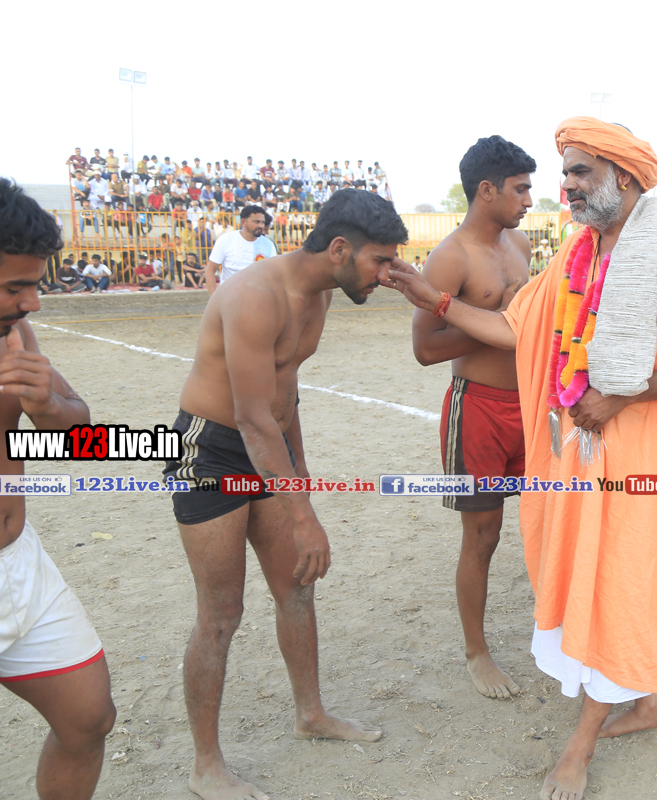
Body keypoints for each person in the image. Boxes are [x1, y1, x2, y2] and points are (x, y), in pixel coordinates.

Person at [389, 117, 657, 800]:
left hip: (645, 448)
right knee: (609, 574)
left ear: (626, 175)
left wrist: (622, 396)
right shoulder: (579, 250)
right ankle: (650, 701)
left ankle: (578, 747)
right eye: (566, 173)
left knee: (620, 580)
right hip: (582, 451)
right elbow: (517, 329)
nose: (567, 185)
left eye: (581, 171)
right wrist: (433, 299)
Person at [162, 189, 404, 800]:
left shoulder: (321, 293)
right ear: (340, 249)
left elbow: (284, 390)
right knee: (221, 613)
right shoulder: (252, 295)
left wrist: (300, 475)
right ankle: (206, 765)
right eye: (380, 260)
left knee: (295, 587)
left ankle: (310, 714)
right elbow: (249, 416)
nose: (387, 274)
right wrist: (304, 513)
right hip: (210, 449)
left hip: (268, 443)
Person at [0, 171, 115, 800]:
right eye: (15, 286)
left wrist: (47, 406)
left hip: (20, 565)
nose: (32, 302)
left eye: (35, 283)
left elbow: (81, 432)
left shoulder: (10, 333)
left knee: (89, 718)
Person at [410, 136, 536, 700]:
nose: (529, 200)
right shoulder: (451, 256)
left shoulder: (520, 243)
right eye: (520, 189)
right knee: (483, 535)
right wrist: (497, 316)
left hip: (529, 407)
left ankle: (557, 631)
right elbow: (426, 349)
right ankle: (476, 652)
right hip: (479, 409)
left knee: (547, 523)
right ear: (487, 190)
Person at [205, 205, 276, 295]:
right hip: (229, 297)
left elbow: (273, 275)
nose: (261, 226)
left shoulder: (269, 245)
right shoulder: (225, 240)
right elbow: (210, 270)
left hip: (258, 298)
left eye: (262, 222)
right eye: (256, 222)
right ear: (243, 222)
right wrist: (213, 298)